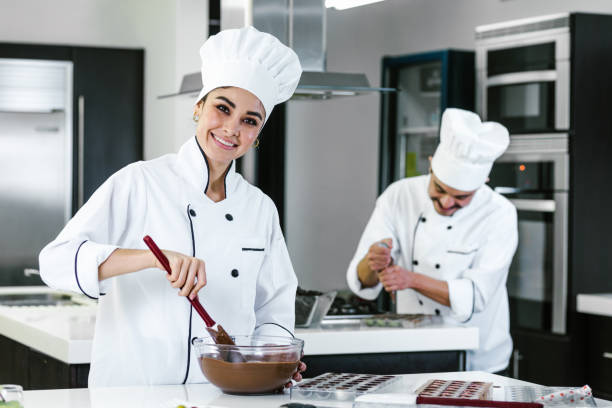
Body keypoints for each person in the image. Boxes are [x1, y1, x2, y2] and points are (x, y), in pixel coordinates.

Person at [39, 26, 306, 387]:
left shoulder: (260, 208)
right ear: (198, 107)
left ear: (257, 135)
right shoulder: (141, 182)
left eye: (249, 121)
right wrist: (152, 257)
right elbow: (55, 262)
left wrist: (272, 359)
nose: (231, 128)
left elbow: (273, 307)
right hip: (135, 391)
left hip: (223, 394)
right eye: (222, 108)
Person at [346, 108, 518, 374]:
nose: (447, 202)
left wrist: (410, 279)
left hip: (480, 359)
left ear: (483, 181)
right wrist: (374, 260)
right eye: (439, 189)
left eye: (461, 197)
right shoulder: (399, 195)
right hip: (413, 349)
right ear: (430, 166)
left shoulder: (499, 212)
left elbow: (476, 296)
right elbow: (362, 283)